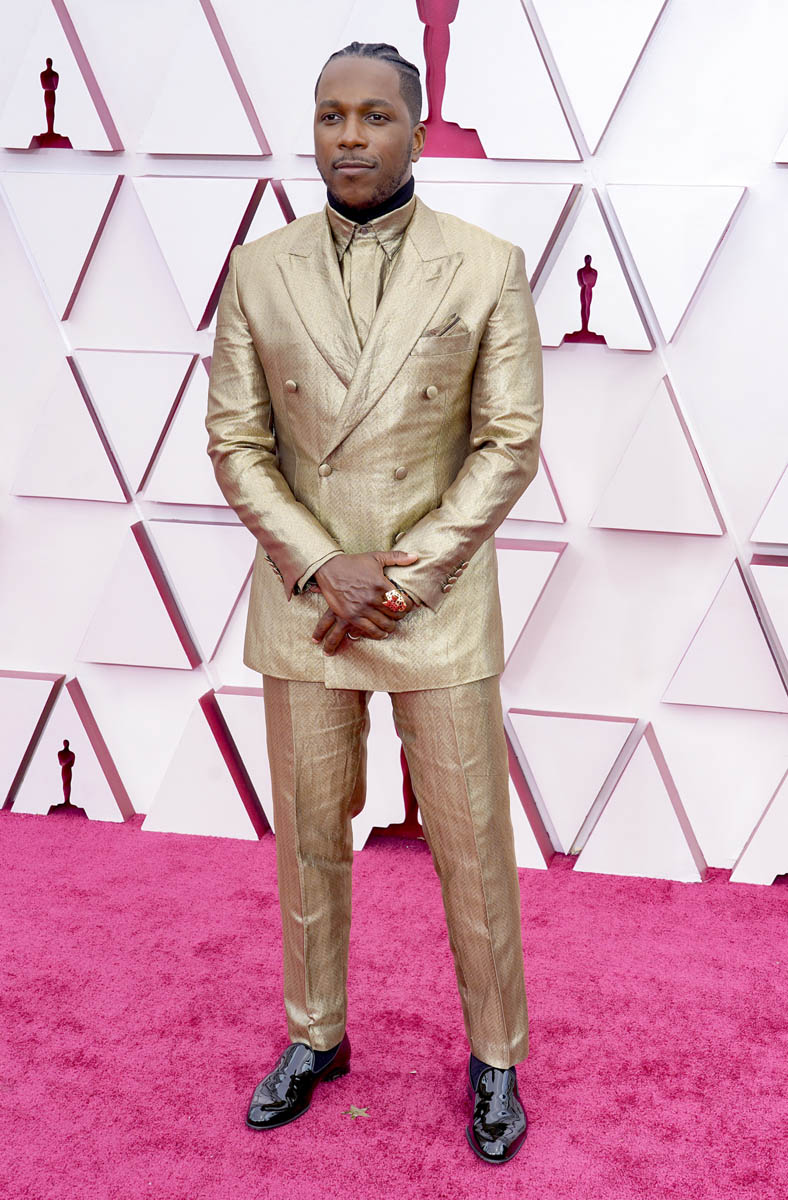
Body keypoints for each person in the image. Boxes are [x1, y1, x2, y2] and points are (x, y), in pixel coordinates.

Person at [206, 40, 543, 1165]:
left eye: (372, 116)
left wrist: (400, 574)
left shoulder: (484, 263)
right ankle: (315, 1037)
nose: (348, 136)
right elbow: (236, 443)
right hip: (306, 603)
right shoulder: (259, 268)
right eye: (328, 115)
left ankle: (493, 1057)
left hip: (430, 604)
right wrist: (317, 563)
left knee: (470, 843)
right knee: (307, 839)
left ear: (415, 125)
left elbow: (506, 443)